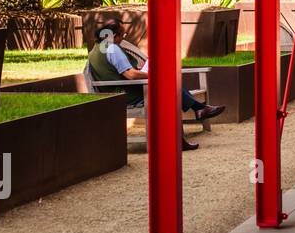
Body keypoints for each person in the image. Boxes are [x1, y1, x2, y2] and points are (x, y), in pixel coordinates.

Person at [88, 19, 224, 151]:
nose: (123, 39)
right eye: (122, 35)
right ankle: (193, 117)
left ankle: (197, 113)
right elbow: (131, 75)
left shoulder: (96, 49)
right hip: (128, 95)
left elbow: (120, 72)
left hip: (115, 94)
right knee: (169, 89)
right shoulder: (112, 48)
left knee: (169, 88)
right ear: (114, 35)